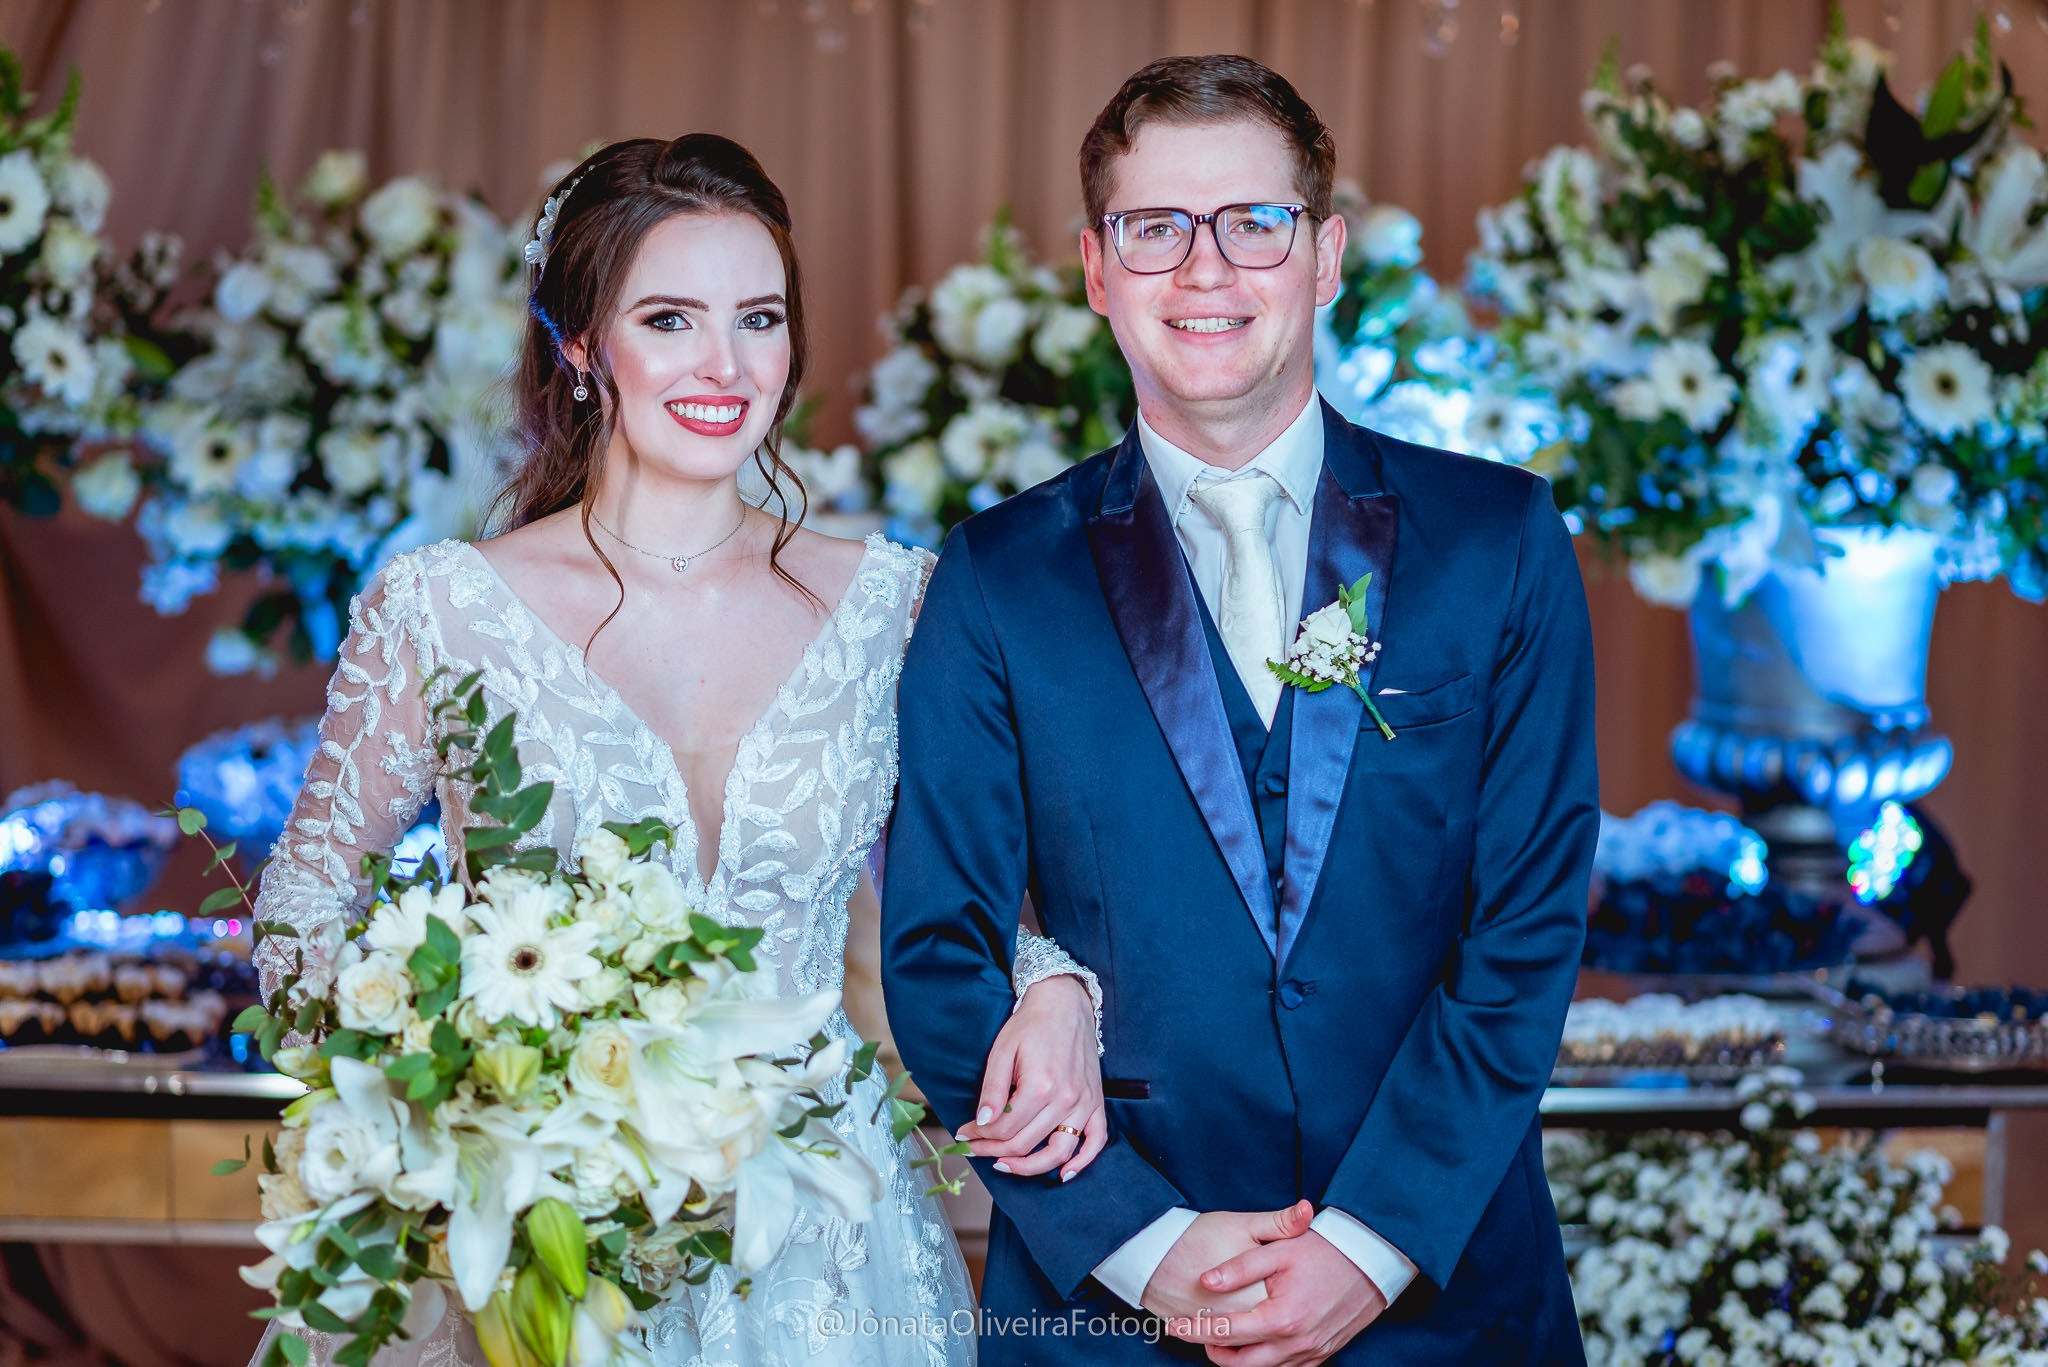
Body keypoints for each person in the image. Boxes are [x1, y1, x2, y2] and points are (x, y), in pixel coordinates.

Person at [246, 132, 1106, 1367]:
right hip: (542, 1220)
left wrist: (1057, 986)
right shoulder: (442, 607)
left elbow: (955, 896)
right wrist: (434, 1107)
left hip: (821, 1231)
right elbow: (305, 894)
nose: (725, 365)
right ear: (579, 344)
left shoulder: (893, 605)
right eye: (668, 319)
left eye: (759, 318)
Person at [882, 55, 1597, 1365]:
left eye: (1254, 223)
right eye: (1154, 228)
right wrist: (1144, 1243)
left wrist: (1370, 1242)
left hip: (1449, 1304)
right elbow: (939, 951)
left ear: (1324, 256)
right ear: (1096, 269)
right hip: (1109, 1319)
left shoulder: (1498, 541)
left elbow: (1528, 927)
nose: (1203, 270)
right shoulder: (994, 578)